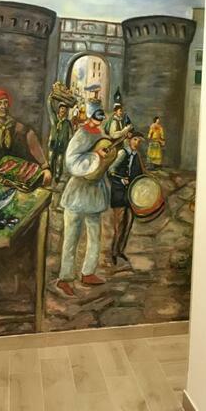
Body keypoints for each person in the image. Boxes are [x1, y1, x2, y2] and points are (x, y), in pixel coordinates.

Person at [56, 102, 111, 297]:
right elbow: (71, 162)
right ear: (89, 116)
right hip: (78, 193)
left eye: (101, 117)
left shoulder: (100, 133)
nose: (99, 121)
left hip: (94, 192)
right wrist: (95, 156)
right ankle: (65, 278)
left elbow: (105, 156)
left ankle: (88, 272)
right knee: (71, 237)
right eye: (96, 117)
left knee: (95, 236)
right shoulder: (81, 135)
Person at [0, 88, 52, 184]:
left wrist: (45, 167)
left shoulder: (18, 127)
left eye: (5, 103)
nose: (3, 106)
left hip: (17, 176)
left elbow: (33, 143)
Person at [108, 132, 145, 265]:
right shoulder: (122, 153)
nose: (137, 143)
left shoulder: (137, 156)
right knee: (119, 225)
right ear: (129, 140)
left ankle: (120, 250)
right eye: (135, 139)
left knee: (128, 224)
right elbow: (110, 171)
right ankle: (114, 252)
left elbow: (140, 175)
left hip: (131, 195)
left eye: (139, 141)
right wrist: (120, 180)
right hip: (119, 194)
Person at [46, 93, 73, 183]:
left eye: (65, 109)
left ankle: (57, 177)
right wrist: (49, 99)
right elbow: (50, 109)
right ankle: (50, 176)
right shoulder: (54, 119)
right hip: (53, 144)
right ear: (59, 109)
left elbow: (71, 135)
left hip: (61, 146)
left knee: (59, 162)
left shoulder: (67, 123)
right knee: (50, 160)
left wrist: (68, 144)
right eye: (62, 108)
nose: (63, 110)